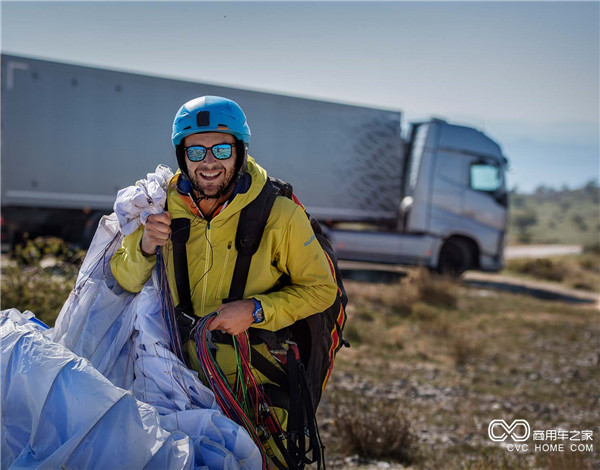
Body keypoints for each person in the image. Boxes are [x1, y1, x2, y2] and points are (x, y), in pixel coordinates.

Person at [110, 95, 338, 466]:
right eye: (196, 151)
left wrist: (257, 310)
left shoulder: (279, 214)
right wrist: (146, 245)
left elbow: (321, 290)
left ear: (240, 151)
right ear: (181, 155)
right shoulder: (160, 204)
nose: (209, 162)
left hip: (254, 384)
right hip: (176, 379)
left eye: (221, 148)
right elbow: (123, 280)